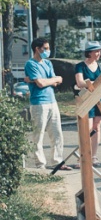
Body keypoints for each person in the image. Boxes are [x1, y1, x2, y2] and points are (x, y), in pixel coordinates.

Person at [25, 37, 68, 170]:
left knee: (56, 133)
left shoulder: (47, 63)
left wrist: (44, 80)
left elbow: (57, 81)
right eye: (45, 48)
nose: (48, 51)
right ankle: (40, 164)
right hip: (39, 103)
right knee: (38, 135)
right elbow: (42, 83)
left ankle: (57, 162)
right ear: (37, 49)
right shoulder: (31, 64)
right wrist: (47, 80)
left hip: (52, 101)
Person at [75, 41, 101, 167]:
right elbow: (80, 82)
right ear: (89, 52)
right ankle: (83, 156)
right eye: (96, 51)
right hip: (87, 99)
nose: (99, 53)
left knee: (97, 127)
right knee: (87, 128)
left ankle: (93, 156)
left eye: (99, 51)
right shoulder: (80, 66)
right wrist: (95, 83)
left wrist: (92, 83)